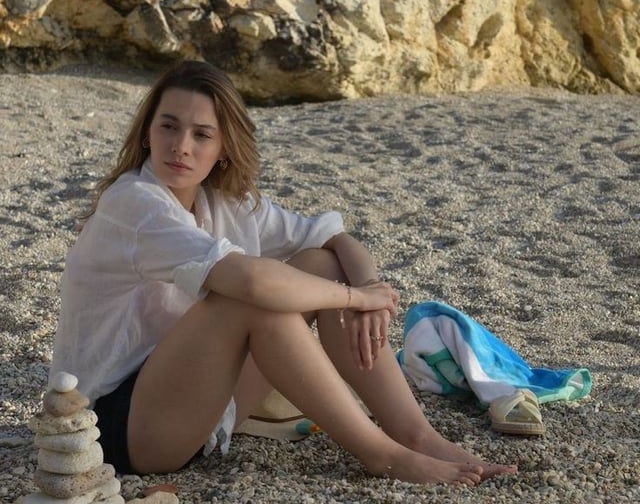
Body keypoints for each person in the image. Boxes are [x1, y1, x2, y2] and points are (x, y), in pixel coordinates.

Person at [50, 60, 517, 486]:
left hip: (199, 410)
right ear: (147, 133)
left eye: (201, 135)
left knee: (324, 266)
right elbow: (253, 284)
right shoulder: (135, 203)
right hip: (114, 429)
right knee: (252, 300)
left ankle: (416, 435)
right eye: (168, 126)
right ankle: (383, 455)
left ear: (224, 148)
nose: (181, 146)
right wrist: (357, 299)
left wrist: (369, 287)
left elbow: (333, 239)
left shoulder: (224, 203)